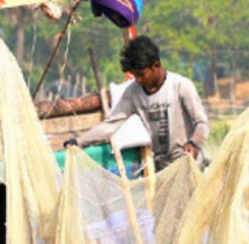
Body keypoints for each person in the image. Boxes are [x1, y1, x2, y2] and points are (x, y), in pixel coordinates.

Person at [65, 36, 210, 171]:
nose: (138, 79)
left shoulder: (180, 86)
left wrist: (194, 143)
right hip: (163, 168)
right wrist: (80, 142)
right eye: (135, 75)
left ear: (156, 65)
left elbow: (201, 123)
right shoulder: (133, 92)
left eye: (141, 75)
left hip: (189, 165)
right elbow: (110, 125)